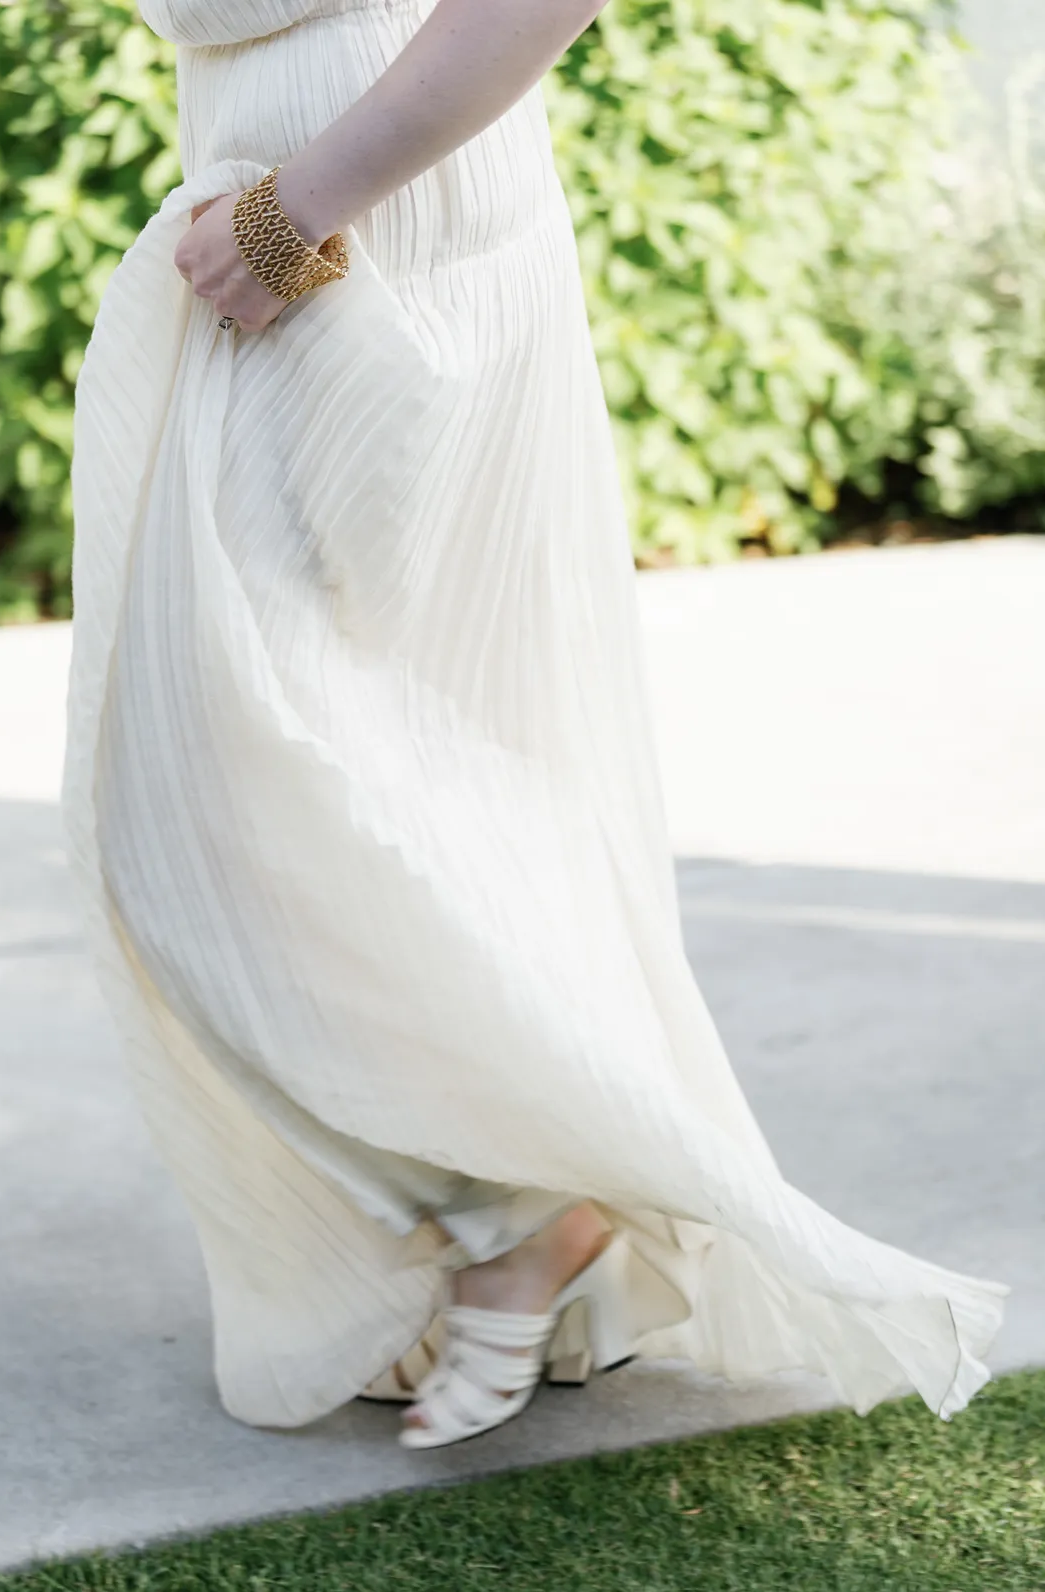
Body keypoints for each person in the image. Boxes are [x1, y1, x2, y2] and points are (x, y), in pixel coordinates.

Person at [64, 0, 1008, 1453]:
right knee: (350, 770)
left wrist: (294, 209)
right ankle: (512, 1210)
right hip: (289, 208)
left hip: (377, 237)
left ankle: (520, 1216)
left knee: (232, 773)